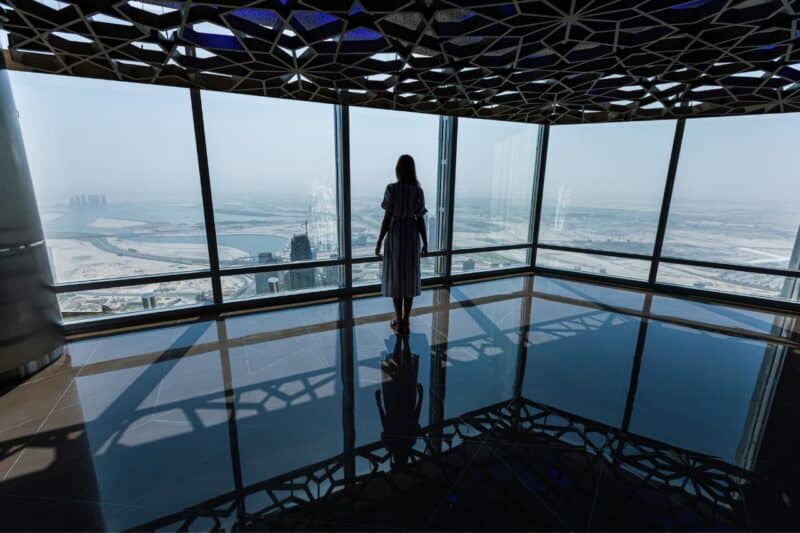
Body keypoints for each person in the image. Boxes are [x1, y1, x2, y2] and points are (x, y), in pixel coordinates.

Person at [375, 154, 428, 333]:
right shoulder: (418, 191)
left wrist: (379, 242)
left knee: (397, 277)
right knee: (410, 278)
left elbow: (387, 218)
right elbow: (420, 219)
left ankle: (398, 320)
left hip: (396, 233)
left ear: (398, 169)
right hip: (411, 235)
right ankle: (406, 320)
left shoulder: (391, 189)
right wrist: (425, 242)